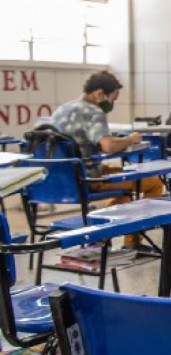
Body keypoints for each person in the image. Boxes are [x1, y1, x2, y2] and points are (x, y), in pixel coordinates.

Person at [51, 71, 164, 250]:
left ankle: (102, 225)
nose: (111, 104)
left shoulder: (61, 110)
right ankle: (129, 241)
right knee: (154, 183)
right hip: (87, 179)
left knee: (124, 193)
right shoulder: (93, 112)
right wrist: (131, 139)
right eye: (113, 98)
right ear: (99, 94)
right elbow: (108, 146)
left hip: (58, 182)